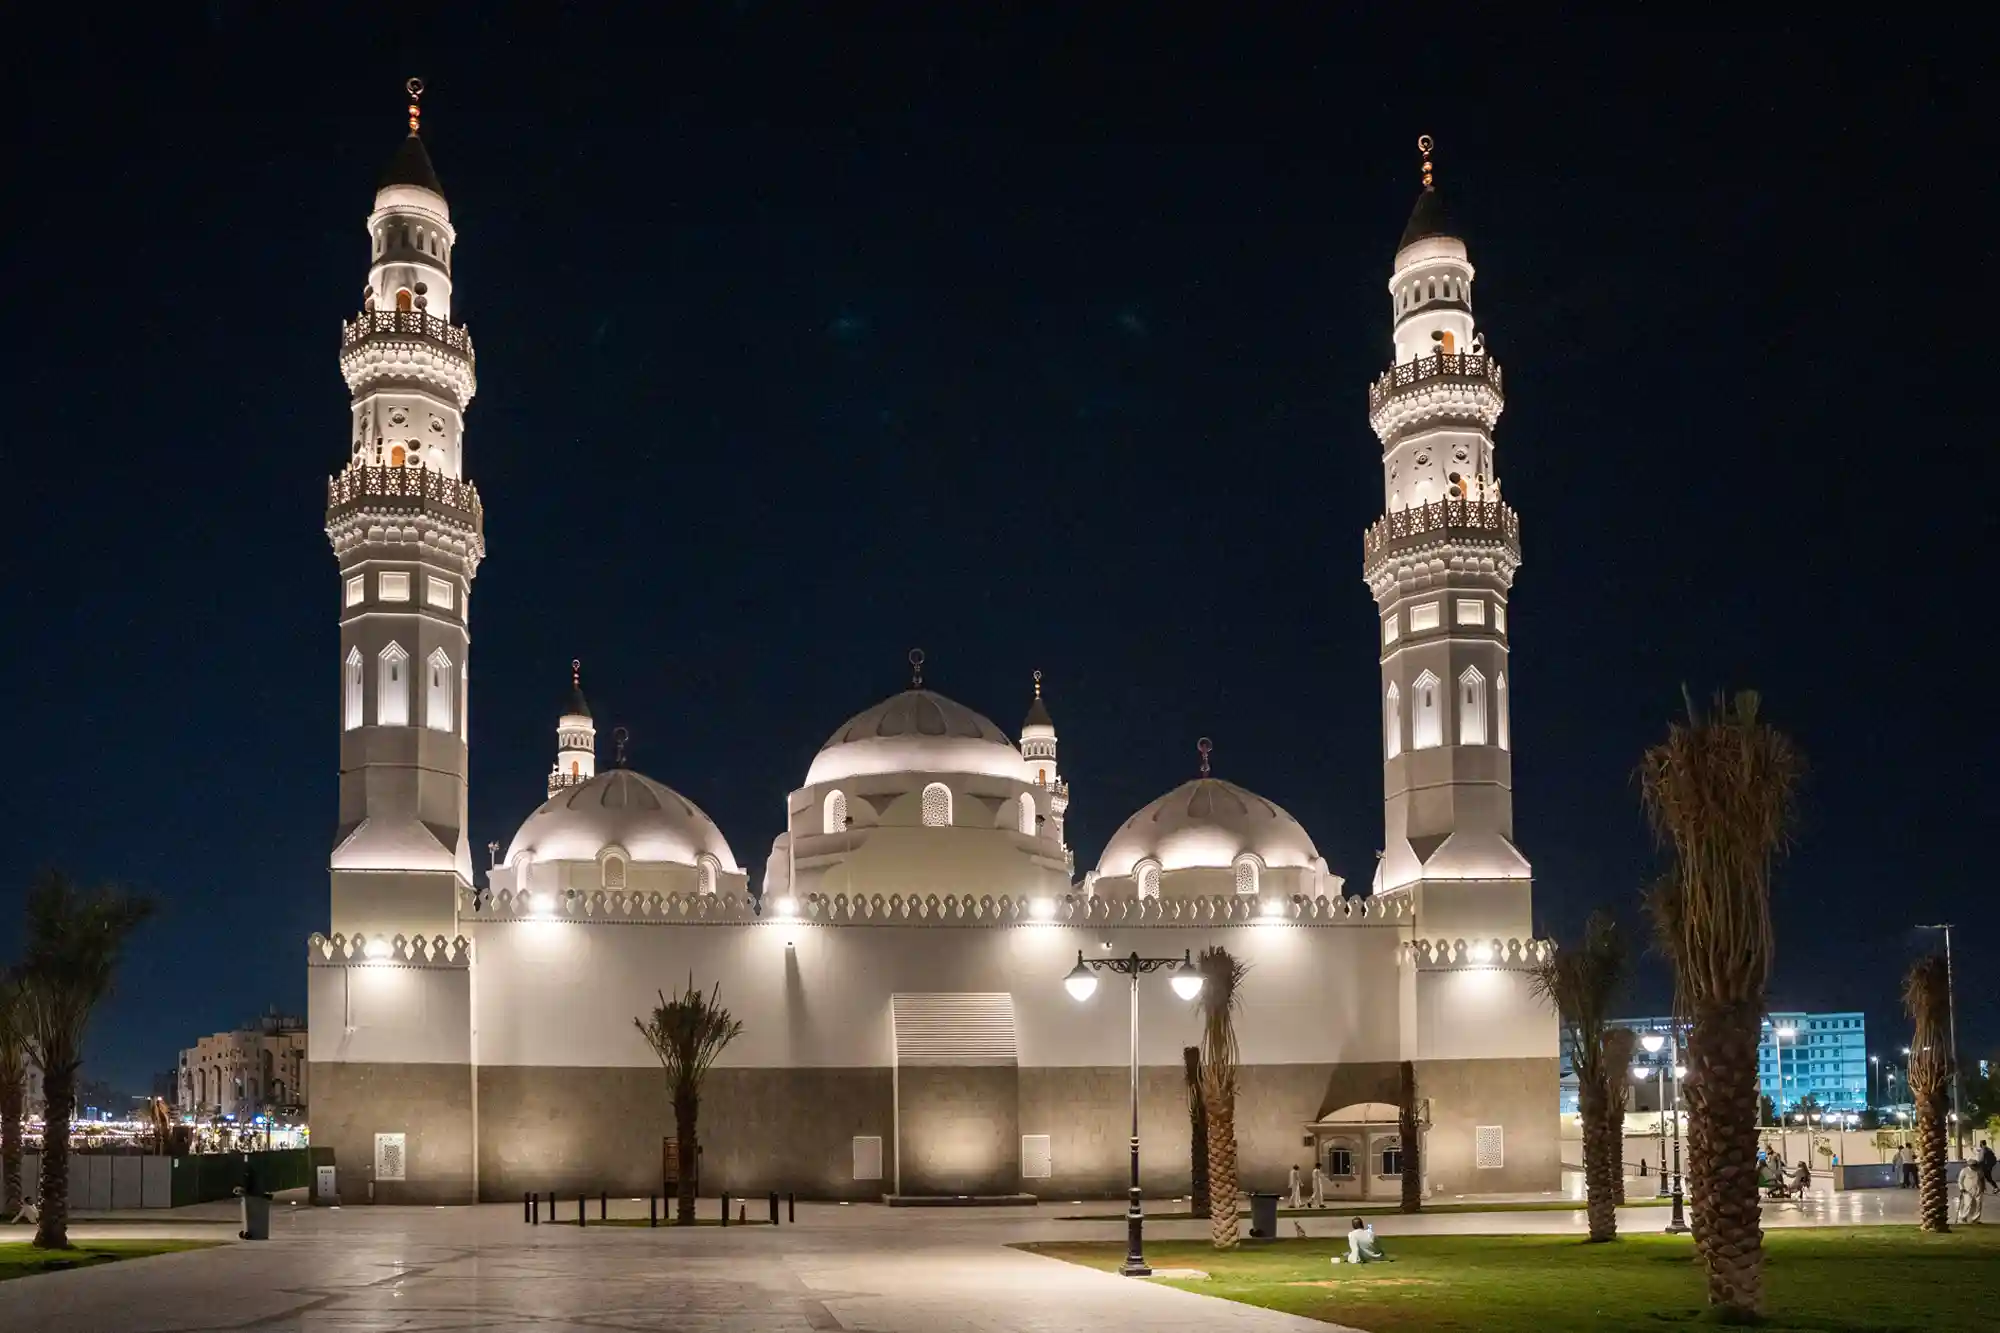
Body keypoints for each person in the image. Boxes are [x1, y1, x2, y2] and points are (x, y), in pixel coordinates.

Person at [1958, 1160, 1985, 1225]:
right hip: (1967, 1190)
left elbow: (1982, 1179)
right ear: (1969, 1165)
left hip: (1978, 1189)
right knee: (1968, 1204)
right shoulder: (1964, 1171)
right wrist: (1961, 1188)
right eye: (1973, 1165)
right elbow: (1960, 1181)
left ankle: (1975, 1219)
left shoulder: (1979, 1170)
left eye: (1975, 1165)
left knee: (1978, 1204)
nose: (1974, 1167)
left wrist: (1983, 1187)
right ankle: (1963, 1218)